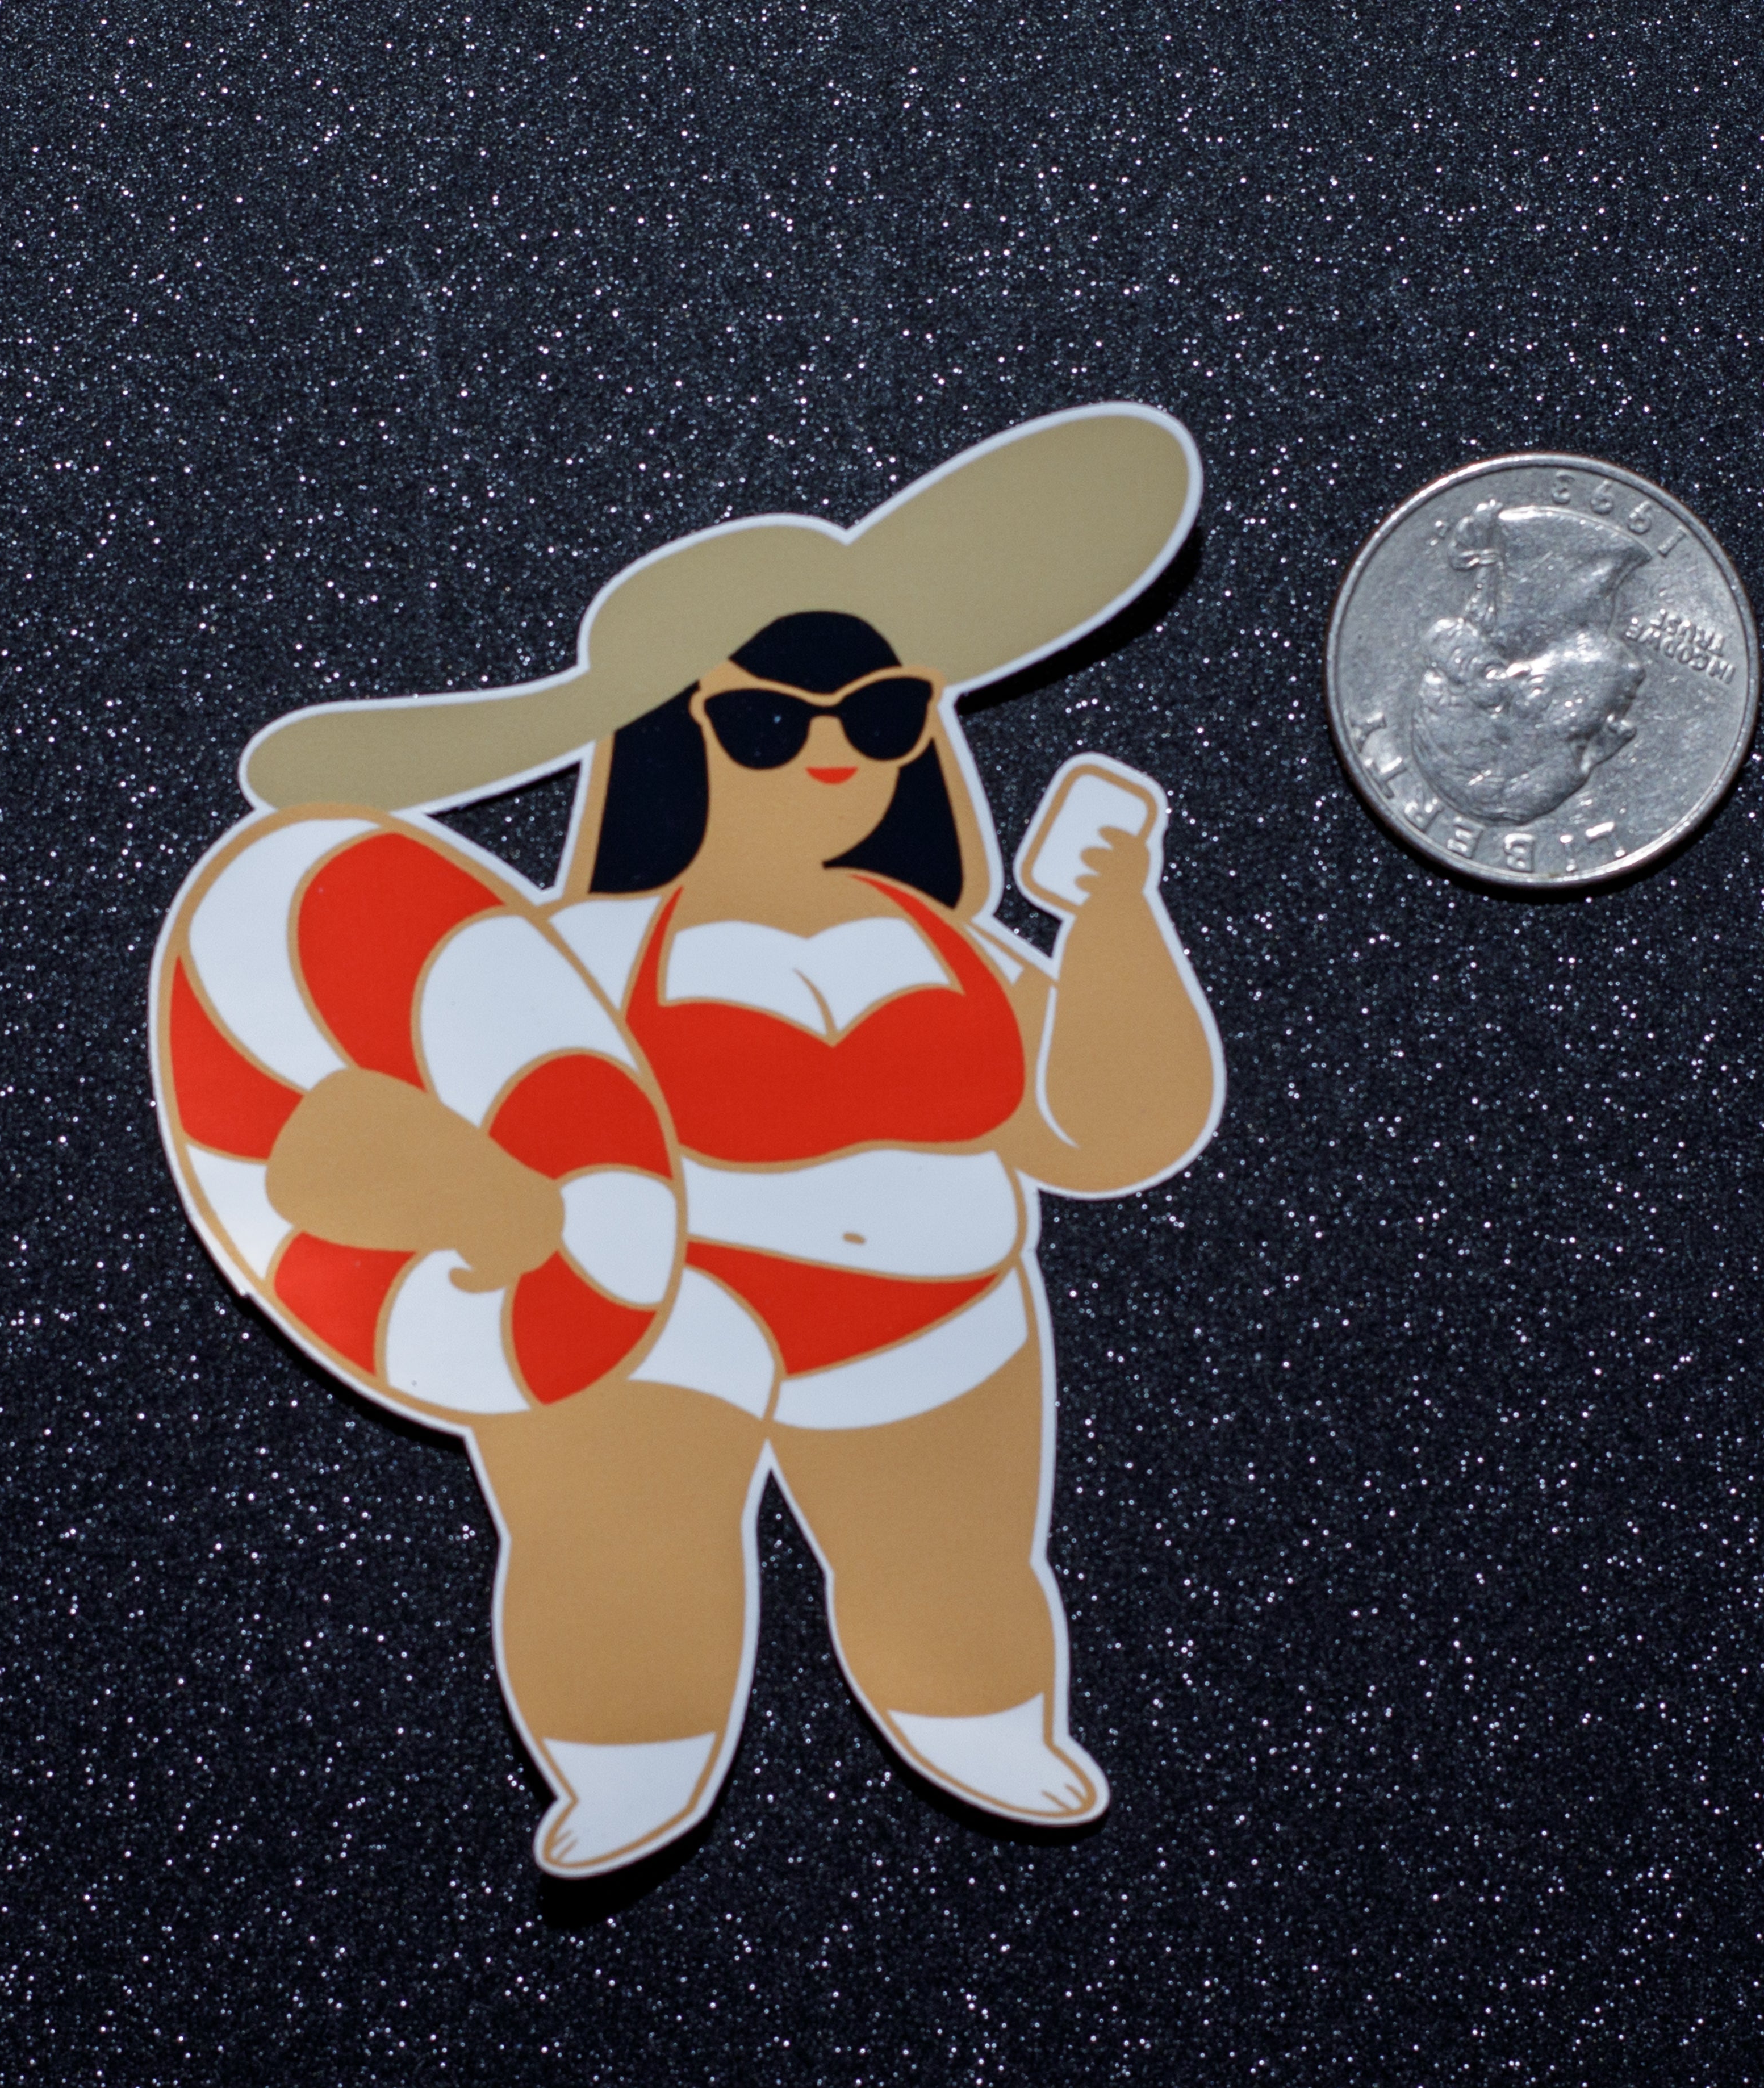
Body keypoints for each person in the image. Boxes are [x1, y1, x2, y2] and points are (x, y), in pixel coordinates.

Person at [172, 405, 1222, 1875]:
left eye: (880, 717)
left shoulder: (954, 950)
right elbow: (368, 1141)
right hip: (659, 1331)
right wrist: (476, 1206)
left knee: (954, 1568)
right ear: (674, 739)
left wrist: (1112, 918)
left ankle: (982, 1715)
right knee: (618, 1557)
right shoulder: (578, 954)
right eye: (771, 723)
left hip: (938, 1334)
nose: (833, 754)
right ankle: (625, 1759)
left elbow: (1108, 1134)